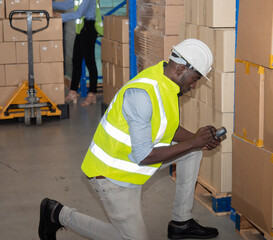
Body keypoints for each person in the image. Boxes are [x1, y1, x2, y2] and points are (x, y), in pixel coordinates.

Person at [38, 39, 222, 240]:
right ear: (180, 68)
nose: (194, 86)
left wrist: (198, 140)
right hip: (112, 175)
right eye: (195, 79)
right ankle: (56, 214)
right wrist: (194, 142)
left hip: (132, 163)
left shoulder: (167, 84)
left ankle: (181, 223)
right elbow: (144, 155)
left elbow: (167, 127)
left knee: (192, 152)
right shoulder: (142, 94)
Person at [52, 0, 103, 106]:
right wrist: (48, 3)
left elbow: (78, 13)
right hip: (82, 29)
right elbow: (66, 4)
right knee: (76, 60)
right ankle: (73, 92)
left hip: (89, 29)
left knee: (90, 62)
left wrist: (60, 17)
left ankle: (92, 93)